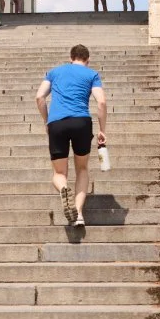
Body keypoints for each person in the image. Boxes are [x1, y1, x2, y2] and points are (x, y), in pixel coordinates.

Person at [35, 45, 107, 227]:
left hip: (57, 123)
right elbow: (102, 102)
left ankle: (63, 188)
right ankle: (79, 215)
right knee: (82, 169)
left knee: (59, 173)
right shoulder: (91, 75)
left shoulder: (54, 72)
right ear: (87, 60)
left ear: (71, 58)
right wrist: (102, 129)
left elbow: (39, 97)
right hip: (81, 122)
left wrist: (46, 121)